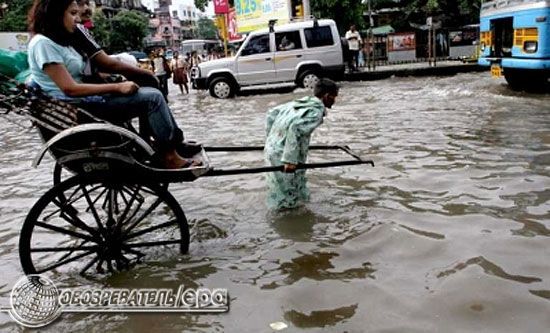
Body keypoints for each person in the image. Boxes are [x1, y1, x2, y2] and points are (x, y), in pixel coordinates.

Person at [27, 0, 199, 169]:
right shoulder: (43, 43)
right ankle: (169, 156)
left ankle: (168, 144)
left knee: (149, 88)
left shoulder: (62, 40)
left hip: (88, 101)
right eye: (72, 14)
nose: (78, 19)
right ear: (55, 15)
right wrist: (117, 87)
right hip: (79, 108)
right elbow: (70, 88)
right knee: (152, 98)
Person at [264, 78, 339, 210]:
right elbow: (296, 128)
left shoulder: (299, 103)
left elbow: (271, 114)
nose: (335, 101)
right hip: (284, 154)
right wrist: (290, 160)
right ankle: (287, 222)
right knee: (289, 195)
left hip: (272, 149)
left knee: (282, 189)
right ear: (327, 96)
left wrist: (272, 139)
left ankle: (292, 213)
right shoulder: (316, 112)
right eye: (334, 97)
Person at [73, 0, 159, 89]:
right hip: (88, 91)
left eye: (87, 3)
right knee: (153, 96)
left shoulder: (83, 30)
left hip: (90, 87)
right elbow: (105, 63)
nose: (87, 8)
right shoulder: (79, 29)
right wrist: (144, 72)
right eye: (80, 4)